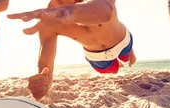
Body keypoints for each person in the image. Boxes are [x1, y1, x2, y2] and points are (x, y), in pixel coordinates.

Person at [7, 0, 137, 100]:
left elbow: (105, 12)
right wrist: (42, 83)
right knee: (113, 70)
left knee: (128, 57)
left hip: (122, 41)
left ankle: (129, 55)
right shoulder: (49, 18)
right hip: (96, 56)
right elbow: (46, 65)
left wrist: (71, 12)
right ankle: (117, 63)